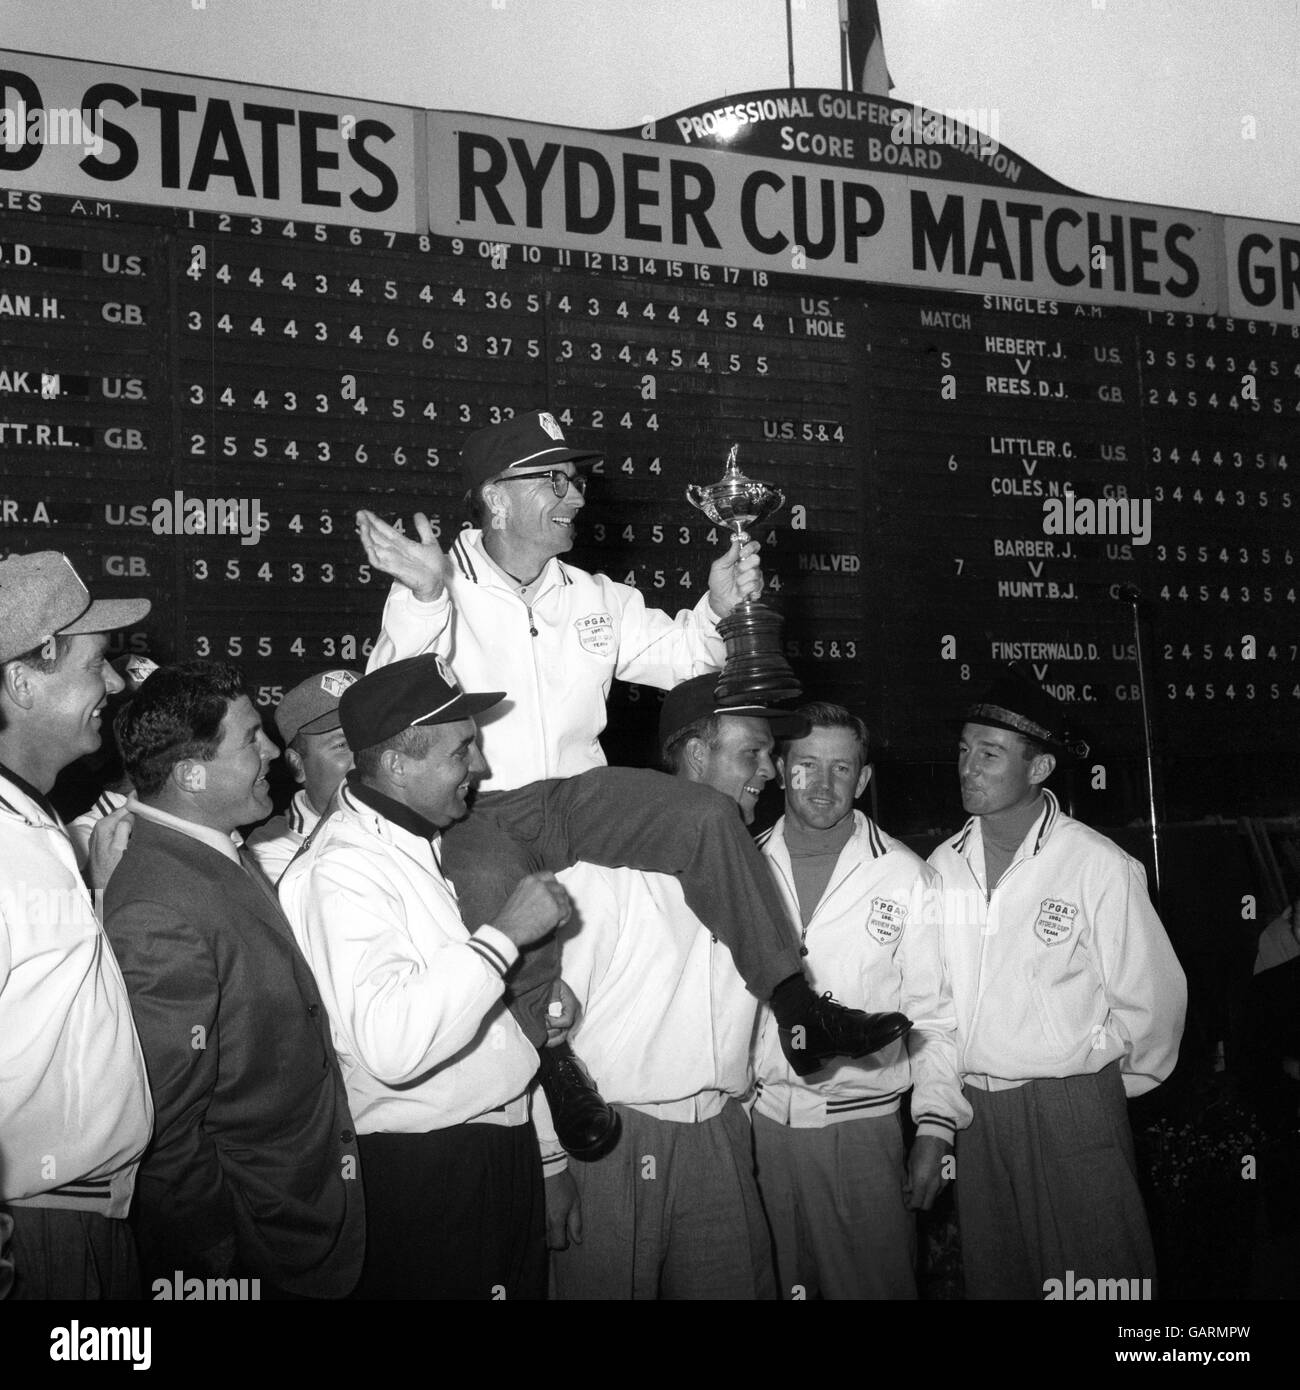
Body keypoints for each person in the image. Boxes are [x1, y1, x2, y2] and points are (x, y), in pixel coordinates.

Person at [548, 677, 910, 1300]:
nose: (772, 770)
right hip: (615, 1135)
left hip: (722, 1131)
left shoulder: (751, 865)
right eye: (754, 753)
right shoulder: (605, 867)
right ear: (695, 756)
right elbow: (544, 1029)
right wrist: (551, 1161)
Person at [278, 655, 573, 1299]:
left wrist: (521, 1009)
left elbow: (445, 996)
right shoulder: (341, 870)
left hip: (495, 1150)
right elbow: (392, 1043)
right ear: (398, 763)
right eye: (462, 750)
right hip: (429, 1172)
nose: (481, 767)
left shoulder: (418, 843)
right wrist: (504, 937)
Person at [104, 661, 364, 1297]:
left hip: (297, 1214)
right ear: (192, 774)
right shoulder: (159, 905)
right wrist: (221, 1261)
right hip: (256, 1243)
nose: (273, 751)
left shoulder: (213, 853)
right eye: (251, 738)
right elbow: (167, 1126)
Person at [927, 669, 1187, 1299]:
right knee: (1001, 1279)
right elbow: (934, 1002)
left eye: (989, 753)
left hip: (1072, 1107)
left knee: (1098, 1282)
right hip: (977, 1117)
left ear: (1039, 767)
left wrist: (1091, 1081)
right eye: (964, 750)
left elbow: (1154, 1004)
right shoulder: (941, 867)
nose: (969, 767)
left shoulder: (1096, 865)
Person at [357, 408, 763, 790]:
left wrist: (720, 610)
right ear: (497, 498)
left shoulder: (596, 596)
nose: (577, 498)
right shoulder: (431, 589)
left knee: (704, 823)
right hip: (481, 812)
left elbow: (690, 661)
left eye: (576, 481)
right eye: (555, 480)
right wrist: (426, 599)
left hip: (580, 812)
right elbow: (383, 710)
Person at [751, 702, 970, 1300]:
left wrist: (935, 1125)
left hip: (862, 1133)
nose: (823, 785)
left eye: (841, 769)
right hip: (758, 1130)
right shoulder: (739, 864)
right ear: (778, 767)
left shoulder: (905, 876)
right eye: (806, 766)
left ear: (864, 779)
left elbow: (934, 1014)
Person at [0, 550, 153, 1299]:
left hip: (87, 1222)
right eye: (98, 664)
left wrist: (94, 893)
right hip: (34, 1235)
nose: (118, 684)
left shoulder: (36, 817)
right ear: (22, 681)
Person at [244, 668, 359, 883]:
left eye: (369, 738)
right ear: (298, 765)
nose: (363, 756)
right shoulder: (269, 850)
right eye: (342, 745)